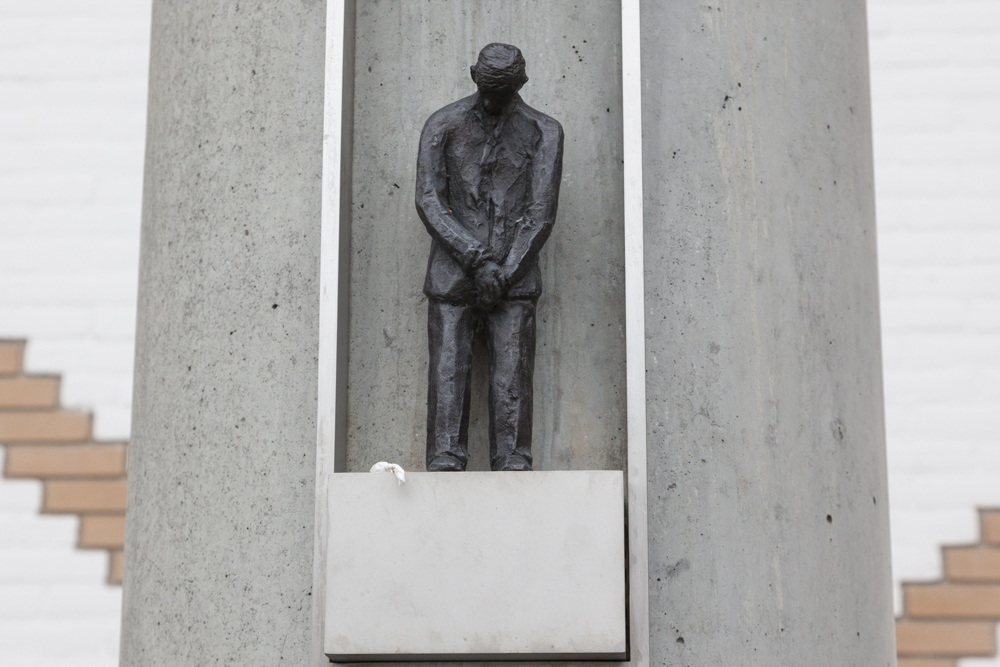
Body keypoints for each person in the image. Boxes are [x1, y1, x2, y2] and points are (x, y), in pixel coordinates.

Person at [415, 43, 564, 472]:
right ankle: (444, 456)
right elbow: (428, 198)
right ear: (472, 76)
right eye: (485, 89)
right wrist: (477, 260)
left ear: (522, 84)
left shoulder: (544, 131)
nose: (490, 100)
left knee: (512, 372)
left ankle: (513, 458)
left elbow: (541, 212)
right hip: (453, 271)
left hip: (514, 276)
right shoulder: (442, 124)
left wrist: (505, 270)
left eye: (501, 92)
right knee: (448, 370)